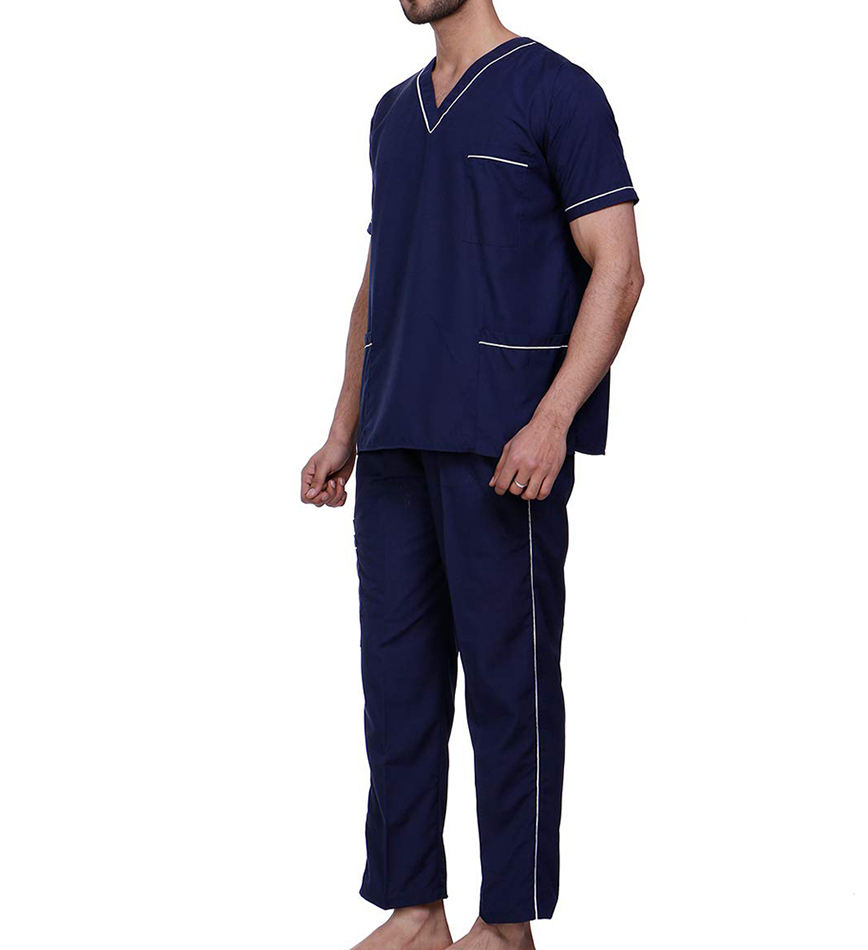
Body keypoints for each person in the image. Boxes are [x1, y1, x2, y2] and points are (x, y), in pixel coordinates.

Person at [301, 1, 643, 947]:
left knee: (509, 687)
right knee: (397, 685)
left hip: (503, 448)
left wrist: (551, 418)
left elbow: (619, 269)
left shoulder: (558, 93)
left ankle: (506, 923)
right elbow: (381, 280)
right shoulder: (392, 113)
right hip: (394, 444)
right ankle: (415, 910)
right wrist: (343, 429)